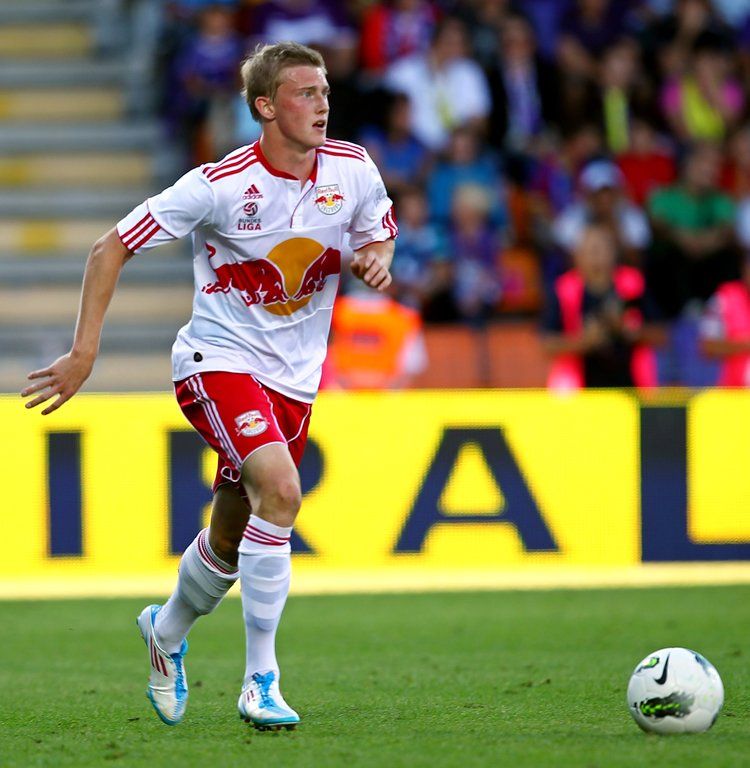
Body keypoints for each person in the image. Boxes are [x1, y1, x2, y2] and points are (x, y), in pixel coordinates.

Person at [21, 42, 397, 731]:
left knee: (231, 535)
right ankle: (261, 681)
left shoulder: (354, 168)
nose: (322, 104)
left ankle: (164, 632)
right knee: (282, 490)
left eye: (324, 92)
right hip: (215, 361)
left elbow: (379, 232)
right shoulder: (219, 184)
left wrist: (376, 256)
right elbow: (110, 247)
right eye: (306, 93)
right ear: (265, 107)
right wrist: (83, 352)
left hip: (295, 380)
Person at [542, 222, 661, 390]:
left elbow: (661, 334)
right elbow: (547, 343)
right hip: (579, 393)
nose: (595, 256)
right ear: (577, 256)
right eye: (589, 250)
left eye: (600, 249)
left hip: (631, 389)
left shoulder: (633, 285)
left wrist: (628, 330)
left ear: (614, 253)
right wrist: (584, 342)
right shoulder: (564, 290)